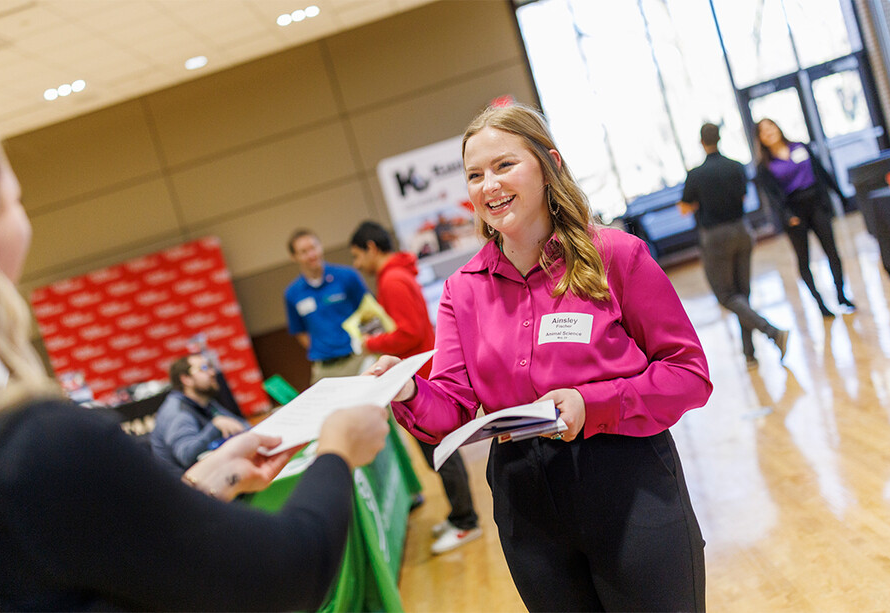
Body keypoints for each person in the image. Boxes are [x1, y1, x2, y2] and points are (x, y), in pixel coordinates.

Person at [0, 79, 391, 612]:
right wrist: (337, 452)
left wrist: (205, 480)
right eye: (12, 199)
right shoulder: (31, 444)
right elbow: (285, 576)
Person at [367, 104, 712, 612]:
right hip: (525, 500)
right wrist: (409, 389)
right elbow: (451, 413)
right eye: (475, 175)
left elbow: (688, 375)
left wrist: (590, 403)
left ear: (548, 165)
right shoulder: (462, 292)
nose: (489, 185)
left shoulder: (616, 256)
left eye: (504, 165)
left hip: (629, 485)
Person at [349, 220, 482, 554]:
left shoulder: (392, 280)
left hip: (419, 381)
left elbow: (408, 331)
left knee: (442, 454)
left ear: (371, 248)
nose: (356, 264)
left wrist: (370, 343)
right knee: (439, 455)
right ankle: (460, 516)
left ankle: (467, 522)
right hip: (419, 377)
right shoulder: (395, 276)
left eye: (356, 256)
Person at [678, 122, 789, 370]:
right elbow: (742, 197)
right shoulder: (736, 166)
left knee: (727, 296)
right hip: (742, 230)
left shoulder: (696, 174)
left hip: (715, 237)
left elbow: (684, 208)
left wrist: (701, 202)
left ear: (702, 142)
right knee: (742, 294)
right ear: (719, 138)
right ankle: (749, 354)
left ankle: (772, 332)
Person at [754, 118, 855, 317]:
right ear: (760, 139)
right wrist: (787, 216)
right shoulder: (764, 166)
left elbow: (822, 172)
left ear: (778, 127)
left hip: (817, 204)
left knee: (832, 251)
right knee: (804, 259)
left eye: (771, 127)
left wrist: (839, 194)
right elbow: (772, 197)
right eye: (763, 132)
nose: (769, 133)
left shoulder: (800, 147)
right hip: (794, 214)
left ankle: (841, 295)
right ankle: (820, 304)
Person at [284, 229, 369, 383]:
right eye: (303, 252)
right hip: (324, 369)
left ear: (321, 247)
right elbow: (300, 332)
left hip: (357, 359)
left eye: (313, 248)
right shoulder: (292, 293)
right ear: (294, 257)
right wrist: (323, 347)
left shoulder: (347, 277)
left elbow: (369, 312)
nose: (311, 255)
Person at [150, 353, 250, 476]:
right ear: (186, 379)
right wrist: (215, 427)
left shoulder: (204, 402)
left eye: (210, 367)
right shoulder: (178, 412)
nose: (212, 372)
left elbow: (242, 426)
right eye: (203, 368)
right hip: (188, 489)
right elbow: (186, 456)